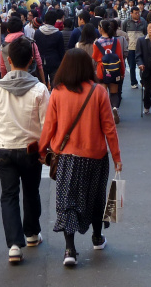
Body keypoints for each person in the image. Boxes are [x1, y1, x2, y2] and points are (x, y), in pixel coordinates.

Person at [37, 49, 122, 267]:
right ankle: (97, 237)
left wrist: (42, 149)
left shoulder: (57, 92)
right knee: (95, 198)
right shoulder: (99, 92)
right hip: (96, 156)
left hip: (67, 158)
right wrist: (117, 157)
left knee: (68, 202)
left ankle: (70, 250)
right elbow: (109, 129)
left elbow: (49, 126)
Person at [0, 37, 50, 263]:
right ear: (32, 60)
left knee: (9, 195)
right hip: (31, 150)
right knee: (31, 191)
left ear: (8, 60)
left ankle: (14, 245)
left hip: (4, 150)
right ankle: (31, 233)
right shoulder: (40, 89)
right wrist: (45, 149)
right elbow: (47, 124)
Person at [92, 20, 125, 124]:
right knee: (114, 93)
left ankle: (103, 115)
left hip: (102, 70)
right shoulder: (116, 41)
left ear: (101, 28)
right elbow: (120, 57)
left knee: (103, 94)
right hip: (115, 70)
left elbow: (95, 57)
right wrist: (122, 72)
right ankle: (115, 108)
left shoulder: (97, 43)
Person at [0, 17, 45, 82]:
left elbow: (2, 67)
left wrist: (5, 82)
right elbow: (39, 64)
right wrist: (43, 82)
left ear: (8, 30)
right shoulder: (31, 43)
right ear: (22, 29)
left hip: (11, 82)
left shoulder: (3, 46)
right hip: (30, 82)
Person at [34, 11, 65, 89]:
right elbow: (61, 51)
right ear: (54, 21)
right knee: (55, 85)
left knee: (41, 85)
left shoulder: (37, 32)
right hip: (55, 62)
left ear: (45, 19)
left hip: (40, 61)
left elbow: (35, 48)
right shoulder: (58, 34)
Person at [122, 7, 146, 90]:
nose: (137, 14)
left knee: (142, 65)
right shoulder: (126, 22)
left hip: (141, 47)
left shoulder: (143, 21)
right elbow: (123, 33)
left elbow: (145, 33)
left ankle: (143, 81)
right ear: (131, 13)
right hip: (130, 47)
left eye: (138, 12)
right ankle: (133, 82)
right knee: (132, 66)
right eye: (135, 13)